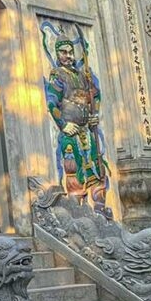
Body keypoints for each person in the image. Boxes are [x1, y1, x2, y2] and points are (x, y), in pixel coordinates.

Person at [44, 38, 112, 217]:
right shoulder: (57, 75)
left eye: (70, 52)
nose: (68, 56)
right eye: (63, 52)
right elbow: (52, 103)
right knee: (73, 169)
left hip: (87, 131)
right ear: (58, 54)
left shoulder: (83, 75)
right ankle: (78, 211)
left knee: (97, 167)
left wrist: (94, 115)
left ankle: (100, 208)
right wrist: (63, 124)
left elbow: (95, 96)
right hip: (71, 132)